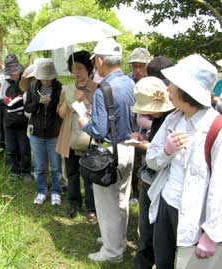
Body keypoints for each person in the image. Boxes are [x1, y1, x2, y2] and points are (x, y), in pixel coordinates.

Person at [146, 54, 221, 269]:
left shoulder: (215, 129)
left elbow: (219, 187)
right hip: (167, 204)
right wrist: (166, 151)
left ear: (186, 90)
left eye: (173, 84)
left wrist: (211, 233)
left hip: (195, 215)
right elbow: (152, 160)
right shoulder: (174, 118)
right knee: (163, 262)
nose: (168, 88)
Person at [78, 38, 135, 263]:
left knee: (107, 205)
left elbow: (99, 130)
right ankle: (117, 241)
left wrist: (84, 121)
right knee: (122, 200)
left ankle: (112, 252)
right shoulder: (131, 83)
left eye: (95, 61)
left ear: (101, 61)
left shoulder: (104, 89)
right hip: (130, 148)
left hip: (110, 152)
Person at [130, 76, 175, 269]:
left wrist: (145, 145)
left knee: (159, 235)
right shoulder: (159, 119)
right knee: (146, 232)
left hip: (163, 183)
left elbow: (165, 154)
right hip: (149, 178)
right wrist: (145, 139)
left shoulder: (173, 119)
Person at [56, 51, 97, 221]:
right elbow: (60, 113)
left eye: (80, 68)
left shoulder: (96, 89)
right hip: (69, 134)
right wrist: (66, 101)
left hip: (88, 137)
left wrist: (84, 100)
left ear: (88, 68)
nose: (77, 72)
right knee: (71, 172)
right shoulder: (67, 89)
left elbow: (97, 112)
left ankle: (91, 206)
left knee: (88, 173)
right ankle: (74, 202)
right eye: (73, 69)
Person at [24, 59, 63, 206]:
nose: (46, 81)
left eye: (49, 78)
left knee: (56, 166)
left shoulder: (59, 88)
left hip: (54, 132)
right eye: (44, 78)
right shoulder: (33, 87)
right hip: (37, 133)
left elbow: (61, 110)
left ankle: (56, 192)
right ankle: (41, 191)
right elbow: (27, 108)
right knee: (39, 167)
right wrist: (38, 102)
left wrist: (51, 102)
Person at [0, 54, 31, 180]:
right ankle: (14, 171)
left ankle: (26, 171)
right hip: (9, 121)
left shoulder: (25, 82)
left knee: (24, 148)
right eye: (11, 73)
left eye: (15, 73)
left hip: (23, 120)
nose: (13, 76)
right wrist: (5, 100)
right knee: (11, 147)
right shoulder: (5, 83)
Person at [128, 47, 151, 203]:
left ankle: (142, 191)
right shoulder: (128, 81)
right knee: (132, 161)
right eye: (134, 66)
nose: (137, 69)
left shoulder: (153, 82)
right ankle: (132, 193)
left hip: (147, 127)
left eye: (141, 66)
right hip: (131, 127)